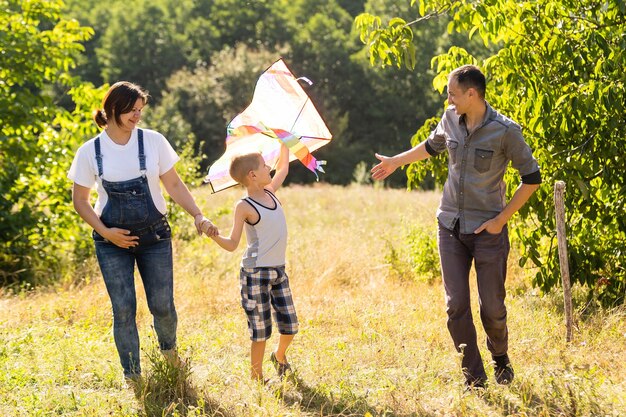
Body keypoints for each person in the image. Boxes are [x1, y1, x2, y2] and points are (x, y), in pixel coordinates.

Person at [371, 65, 541, 388]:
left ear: (471, 94)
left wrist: (500, 220)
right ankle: (474, 377)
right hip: (449, 224)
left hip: (488, 231)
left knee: (492, 307)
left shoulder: (506, 131)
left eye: (452, 93)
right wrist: (395, 161)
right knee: (455, 306)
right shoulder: (450, 118)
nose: (448, 99)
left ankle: (500, 356)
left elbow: (531, 179)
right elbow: (431, 146)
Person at [68, 81, 218, 384]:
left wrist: (198, 214)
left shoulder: (152, 142)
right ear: (113, 109)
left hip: (155, 237)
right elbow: (80, 201)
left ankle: (169, 356)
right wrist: (107, 233)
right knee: (123, 309)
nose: (137, 116)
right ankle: (133, 376)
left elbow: (173, 184)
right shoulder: (90, 151)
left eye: (140, 111)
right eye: (131, 111)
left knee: (162, 305)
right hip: (111, 243)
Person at [201, 144, 298, 382]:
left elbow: (284, 167)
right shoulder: (244, 206)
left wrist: (285, 141)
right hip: (254, 273)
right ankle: (257, 376)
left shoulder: (272, 192)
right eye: (265, 165)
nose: (270, 168)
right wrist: (213, 234)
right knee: (260, 329)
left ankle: (279, 355)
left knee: (290, 324)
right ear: (252, 175)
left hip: (278, 270)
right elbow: (233, 244)